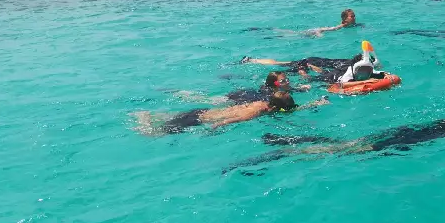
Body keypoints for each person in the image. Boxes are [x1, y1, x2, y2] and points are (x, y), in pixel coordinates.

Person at [223, 103, 445, 174]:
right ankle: (285, 154)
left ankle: (286, 140)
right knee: (342, 151)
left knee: (347, 142)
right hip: (404, 141)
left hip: (401, 132)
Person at [133, 91, 329, 136]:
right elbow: (240, 118)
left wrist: (314, 103)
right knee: (155, 133)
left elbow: (288, 109)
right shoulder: (261, 110)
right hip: (200, 120)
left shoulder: (262, 102)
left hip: (202, 112)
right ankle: (144, 123)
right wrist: (219, 126)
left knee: (169, 120)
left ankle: (147, 115)